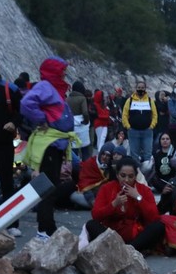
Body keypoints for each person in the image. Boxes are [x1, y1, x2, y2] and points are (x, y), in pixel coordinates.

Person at [20, 57, 79, 239]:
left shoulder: (53, 88)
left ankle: (47, 226)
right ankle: (45, 229)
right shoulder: (45, 86)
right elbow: (26, 103)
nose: (65, 74)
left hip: (56, 143)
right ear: (54, 71)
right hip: (49, 144)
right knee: (48, 187)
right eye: (62, 70)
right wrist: (41, 119)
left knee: (51, 186)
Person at [86, 156, 159, 244]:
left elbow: (154, 217)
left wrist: (138, 197)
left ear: (135, 176)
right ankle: (119, 247)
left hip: (135, 234)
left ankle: (131, 248)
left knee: (158, 226)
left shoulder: (143, 190)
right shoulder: (107, 188)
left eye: (131, 176)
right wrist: (114, 204)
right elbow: (96, 215)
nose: (126, 180)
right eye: (123, 176)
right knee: (91, 224)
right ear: (117, 175)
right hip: (111, 232)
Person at [122, 80, 158, 164]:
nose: (140, 89)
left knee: (147, 154)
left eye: (142, 88)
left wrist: (151, 126)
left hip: (147, 131)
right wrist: (128, 127)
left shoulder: (149, 100)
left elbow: (155, 115)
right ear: (136, 88)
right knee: (134, 155)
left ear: (145, 89)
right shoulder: (130, 100)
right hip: (133, 131)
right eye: (139, 87)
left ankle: (147, 173)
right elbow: (124, 115)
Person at [70, 143, 114, 209]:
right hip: (90, 195)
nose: (104, 157)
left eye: (108, 155)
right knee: (74, 196)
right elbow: (85, 184)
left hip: (103, 196)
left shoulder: (111, 168)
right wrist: (92, 200)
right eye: (103, 154)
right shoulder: (91, 163)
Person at [67, 80, 91, 160]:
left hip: (71, 126)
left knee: (74, 150)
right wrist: (86, 121)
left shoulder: (67, 99)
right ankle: (86, 168)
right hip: (81, 127)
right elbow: (85, 112)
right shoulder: (82, 98)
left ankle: (74, 168)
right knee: (85, 151)